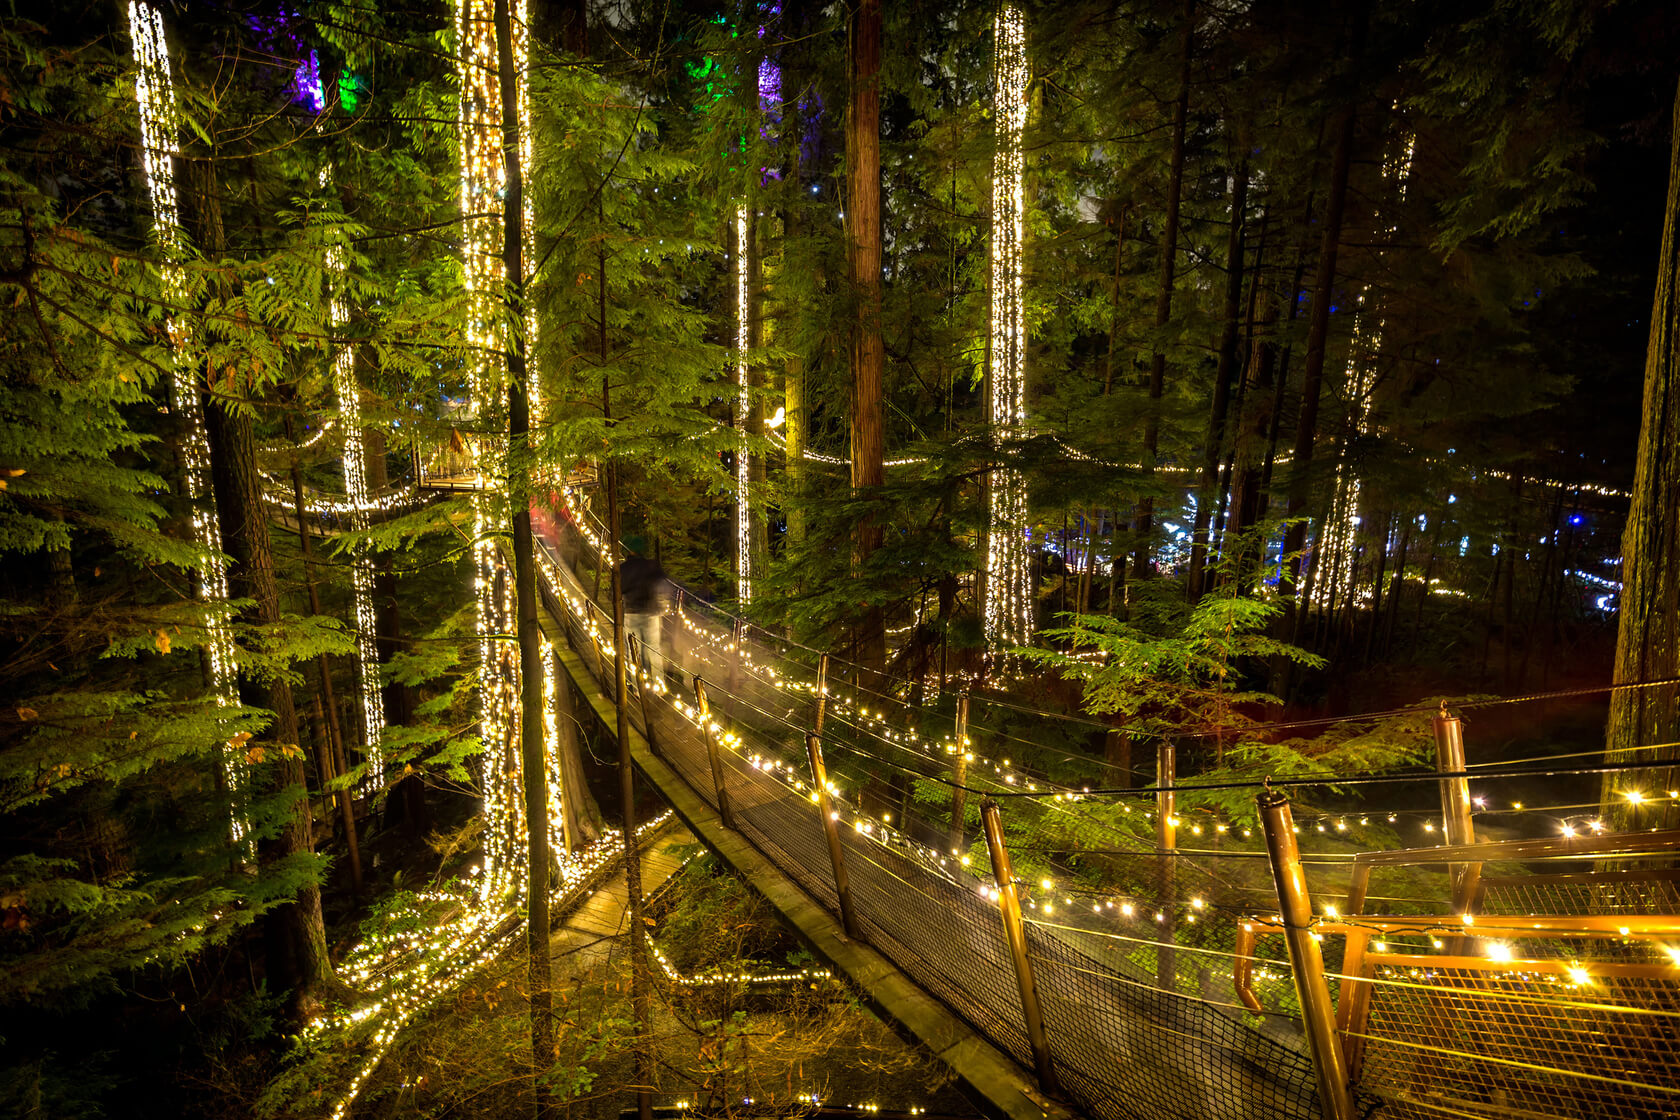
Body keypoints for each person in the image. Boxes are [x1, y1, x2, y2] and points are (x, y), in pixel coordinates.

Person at [619, 545, 669, 679]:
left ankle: (637, 687)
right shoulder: (652, 566)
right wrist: (662, 606)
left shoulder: (623, 568)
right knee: (654, 650)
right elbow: (663, 585)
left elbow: (619, 589)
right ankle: (659, 685)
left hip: (631, 612)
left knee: (634, 650)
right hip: (651, 612)